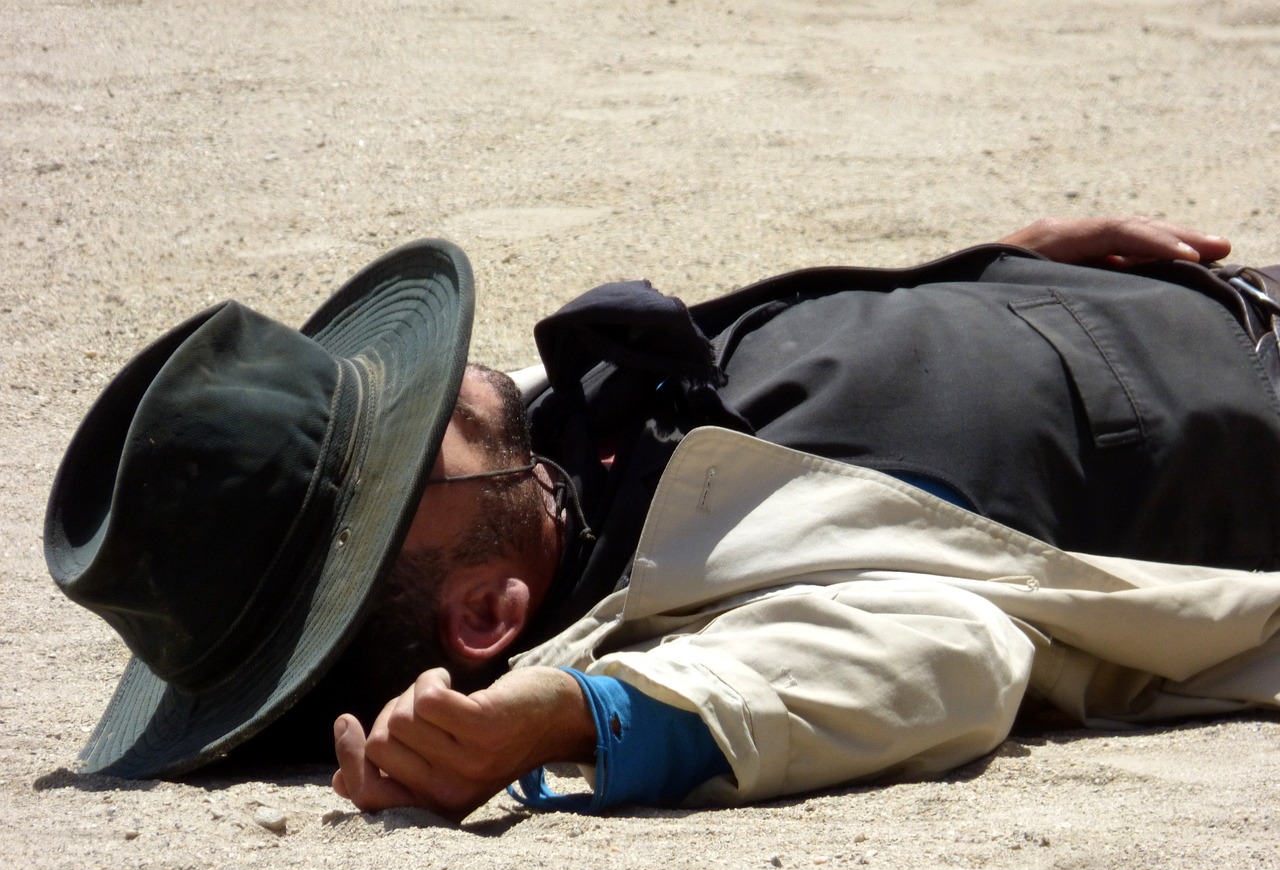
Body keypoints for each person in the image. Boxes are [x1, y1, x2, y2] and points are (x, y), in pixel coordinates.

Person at [45, 217, 1280, 822]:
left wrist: (990, 270)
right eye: (391, 468)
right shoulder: (697, 610)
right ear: (488, 611)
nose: (435, 394)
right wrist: (577, 716)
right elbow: (939, 662)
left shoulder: (549, 447)